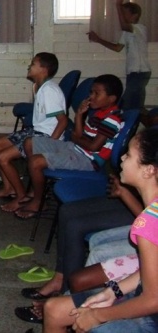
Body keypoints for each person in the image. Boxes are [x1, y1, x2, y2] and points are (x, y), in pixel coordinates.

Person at [43, 128, 158, 332]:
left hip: (152, 314)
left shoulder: (148, 224)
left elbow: (152, 300)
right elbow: (149, 272)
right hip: (146, 295)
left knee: (87, 321)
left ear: (148, 170)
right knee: (54, 309)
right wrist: (113, 291)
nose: (122, 157)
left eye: (129, 155)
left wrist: (97, 316)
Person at [15, 74, 123, 219]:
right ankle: (38, 187)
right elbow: (79, 134)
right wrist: (79, 115)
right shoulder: (99, 113)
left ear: (111, 98)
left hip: (88, 160)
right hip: (76, 149)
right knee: (30, 142)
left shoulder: (112, 119)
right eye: (91, 92)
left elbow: (93, 147)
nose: (91, 96)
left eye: (97, 93)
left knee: (35, 162)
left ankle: (38, 202)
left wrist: (75, 139)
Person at [0, 52, 68, 212]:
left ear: (44, 69)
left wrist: (49, 144)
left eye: (33, 64)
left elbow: (63, 121)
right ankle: (8, 188)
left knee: (3, 157)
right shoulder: (38, 86)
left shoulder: (49, 91)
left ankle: (21, 196)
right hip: (36, 130)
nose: (29, 66)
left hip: (46, 136)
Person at [88, 0, 151, 110]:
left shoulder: (140, 28)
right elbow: (117, 48)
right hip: (133, 72)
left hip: (140, 72)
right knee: (135, 105)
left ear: (135, 15)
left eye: (125, 13)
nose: (122, 16)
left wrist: (118, 5)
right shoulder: (126, 33)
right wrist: (98, 40)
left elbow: (124, 26)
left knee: (128, 104)